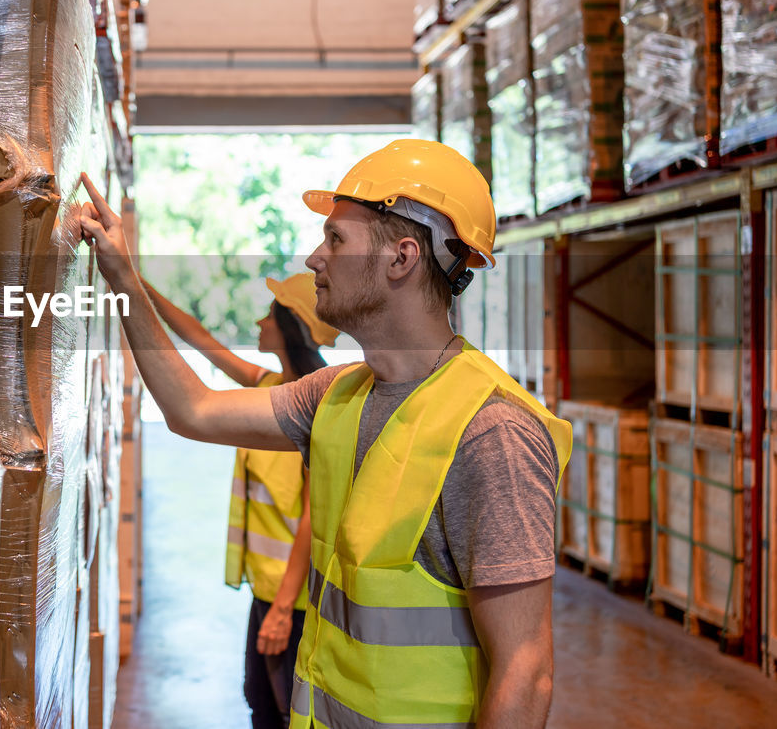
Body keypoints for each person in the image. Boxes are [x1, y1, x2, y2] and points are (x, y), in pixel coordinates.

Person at [78, 138, 573, 729]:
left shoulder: (492, 432)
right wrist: (124, 279)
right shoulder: (335, 394)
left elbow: (525, 672)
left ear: (402, 258)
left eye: (336, 239)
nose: (315, 258)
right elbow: (195, 410)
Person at [144, 273, 339, 729]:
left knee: (287, 713)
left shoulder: (318, 408)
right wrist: (135, 284)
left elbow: (315, 517)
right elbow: (199, 339)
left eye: (270, 314)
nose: (259, 320)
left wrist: (281, 610)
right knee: (260, 701)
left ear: (291, 328)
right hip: (265, 589)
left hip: (293, 600)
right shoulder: (269, 388)